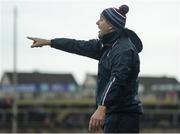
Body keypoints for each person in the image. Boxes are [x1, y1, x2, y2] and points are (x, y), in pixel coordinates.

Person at [27, 4, 143, 133]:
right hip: (115, 113)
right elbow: (77, 45)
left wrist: (102, 107)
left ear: (111, 25)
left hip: (122, 115)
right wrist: (50, 42)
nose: (97, 23)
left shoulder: (123, 50)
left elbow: (117, 79)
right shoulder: (107, 46)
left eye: (101, 19)